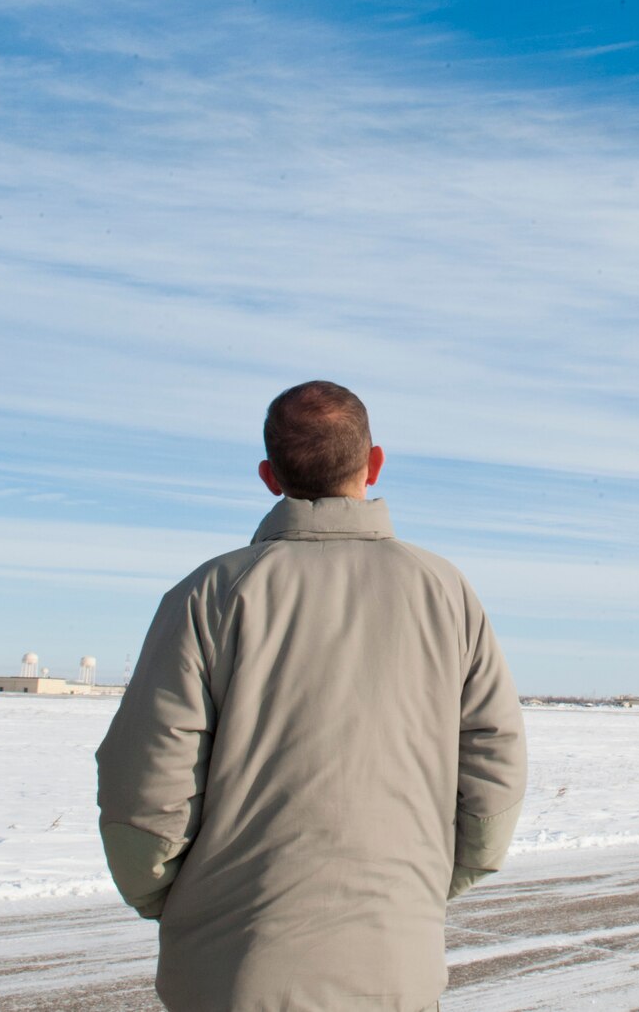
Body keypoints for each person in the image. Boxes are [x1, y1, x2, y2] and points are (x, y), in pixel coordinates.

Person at [98, 380, 526, 1012]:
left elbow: (147, 779)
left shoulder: (209, 595)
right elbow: (495, 770)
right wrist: (425, 886)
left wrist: (174, 898)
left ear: (270, 476)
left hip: (231, 967)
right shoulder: (445, 591)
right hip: (395, 966)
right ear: (374, 463)